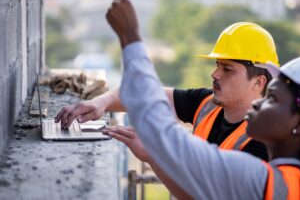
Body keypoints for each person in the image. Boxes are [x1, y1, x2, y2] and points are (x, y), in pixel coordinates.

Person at [103, 0, 300, 199]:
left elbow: (164, 134)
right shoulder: (291, 181)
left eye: (272, 99)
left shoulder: (260, 177)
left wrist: (130, 36)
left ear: (299, 123)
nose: (260, 104)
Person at [56, 17, 279, 162]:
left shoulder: (263, 144)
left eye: (227, 69)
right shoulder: (206, 104)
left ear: (258, 82)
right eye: (217, 66)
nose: (215, 74)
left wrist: (157, 156)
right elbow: (142, 92)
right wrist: (101, 103)